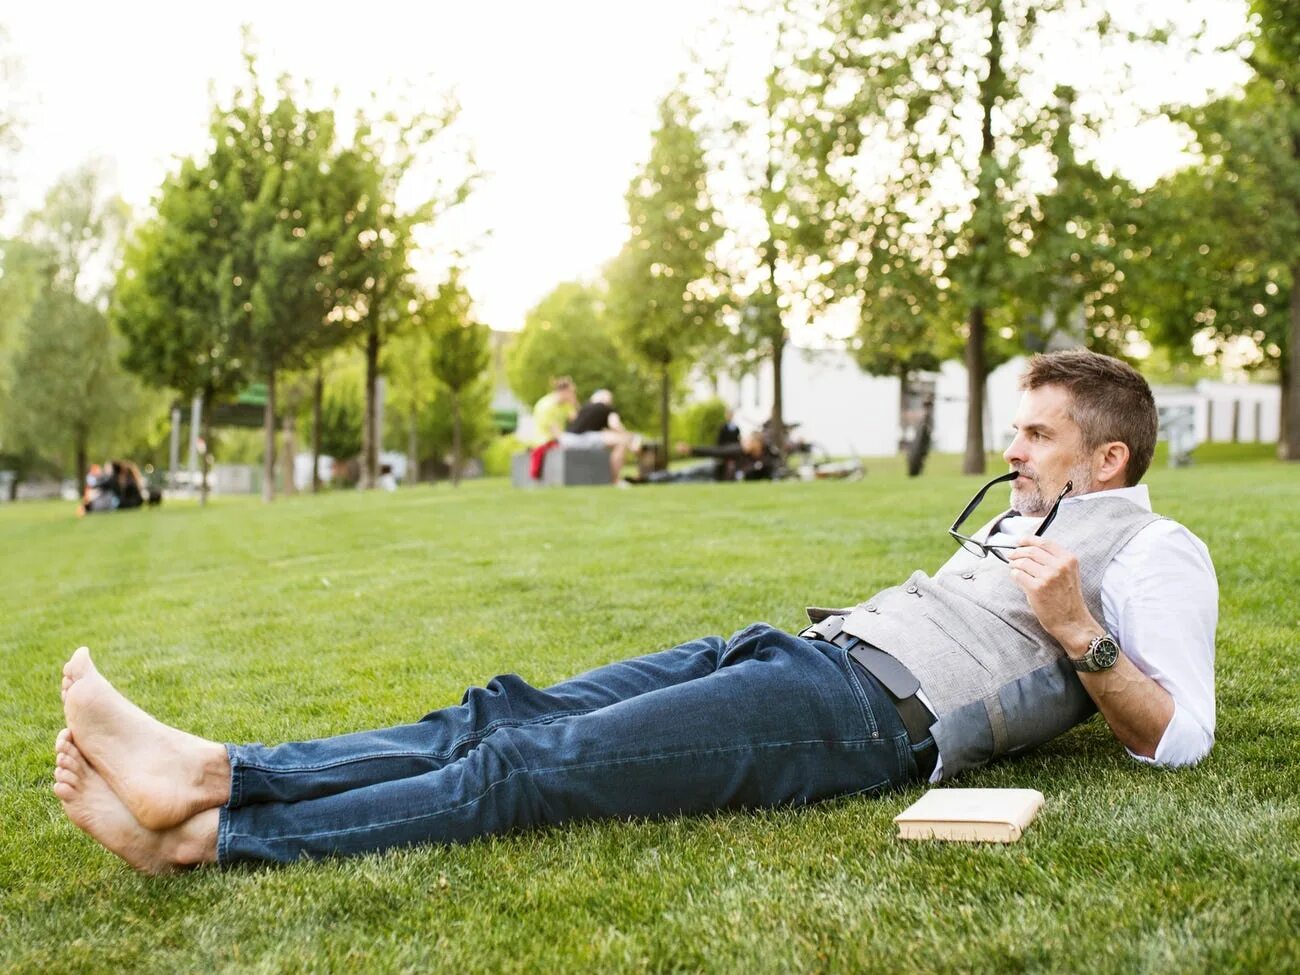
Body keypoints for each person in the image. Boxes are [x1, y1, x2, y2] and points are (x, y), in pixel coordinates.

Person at [51, 350, 1217, 874]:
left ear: (1105, 459)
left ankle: (215, 839)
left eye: (1035, 436)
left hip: (867, 716)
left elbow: (1179, 737)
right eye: (1014, 430)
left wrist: (1079, 634)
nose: (1007, 450)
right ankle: (214, 773)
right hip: (804, 653)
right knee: (497, 714)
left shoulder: (1156, 553)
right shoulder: (1034, 514)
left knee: (538, 767)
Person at [560, 389, 640, 483]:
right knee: (620, 442)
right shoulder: (607, 408)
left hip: (566, 439)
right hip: (582, 439)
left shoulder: (584, 407)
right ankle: (615, 480)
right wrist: (628, 438)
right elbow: (615, 425)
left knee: (609, 439)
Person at [529, 377, 579, 446]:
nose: (573, 395)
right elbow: (556, 432)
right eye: (572, 392)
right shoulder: (546, 406)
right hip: (545, 443)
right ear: (564, 392)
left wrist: (575, 403)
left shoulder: (566, 404)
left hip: (558, 441)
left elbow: (578, 423)